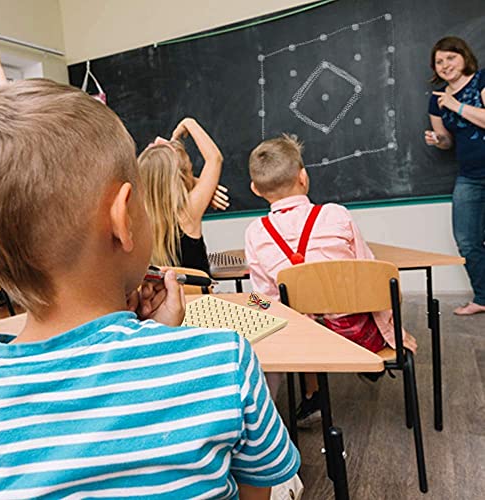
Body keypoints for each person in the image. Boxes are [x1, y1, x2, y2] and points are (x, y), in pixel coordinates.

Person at [0, 77, 299, 498]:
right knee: (264, 305)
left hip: (208, 304)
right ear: (122, 220)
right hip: (229, 303)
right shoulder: (223, 359)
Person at [245, 134, 417, 426]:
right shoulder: (335, 215)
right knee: (342, 301)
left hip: (304, 344)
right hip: (358, 336)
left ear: (255, 190)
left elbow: (265, 298)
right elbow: (370, 271)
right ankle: (364, 363)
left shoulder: (255, 232)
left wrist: (250, 301)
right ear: (303, 177)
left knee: (292, 313)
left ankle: (313, 395)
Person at [425, 36, 485, 316]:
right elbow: (448, 141)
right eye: (439, 61)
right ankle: (483, 297)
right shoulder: (437, 101)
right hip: (470, 175)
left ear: (463, 56)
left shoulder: (481, 80)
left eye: (450, 57)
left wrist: (456, 105)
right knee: (467, 239)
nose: (445, 65)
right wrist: (437, 140)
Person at [138, 118, 228, 275]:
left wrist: (199, 184)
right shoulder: (188, 212)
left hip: (160, 298)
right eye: (190, 171)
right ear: (181, 178)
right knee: (257, 301)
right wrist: (189, 122)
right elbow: (214, 158)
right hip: (200, 298)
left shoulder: (139, 220)